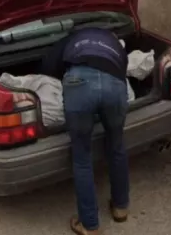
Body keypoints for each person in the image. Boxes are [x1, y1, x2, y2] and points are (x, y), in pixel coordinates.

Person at [41, 27, 130, 235]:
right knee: (117, 145)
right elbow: (123, 69)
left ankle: (89, 225)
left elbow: (48, 66)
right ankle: (120, 207)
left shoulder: (72, 39)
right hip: (114, 86)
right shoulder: (114, 42)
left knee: (82, 156)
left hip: (78, 82)